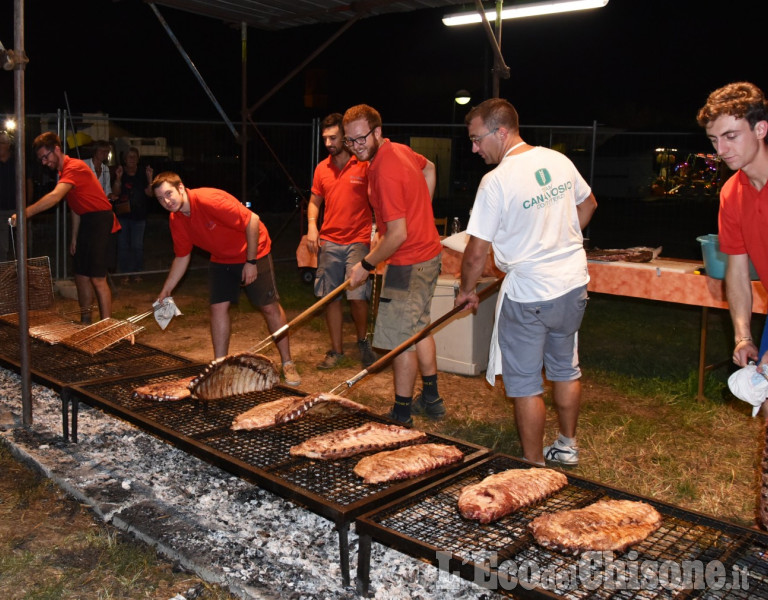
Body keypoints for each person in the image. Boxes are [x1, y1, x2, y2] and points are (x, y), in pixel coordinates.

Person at [454, 98, 597, 466]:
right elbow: (588, 204)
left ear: (501, 132)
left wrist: (466, 290)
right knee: (565, 368)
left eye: (476, 138)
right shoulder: (557, 160)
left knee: (525, 384)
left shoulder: (496, 180)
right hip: (571, 285)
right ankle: (567, 445)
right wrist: (556, 241)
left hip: (530, 293)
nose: (474, 148)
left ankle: (534, 465)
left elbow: (475, 252)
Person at [344, 104, 444, 426]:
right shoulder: (398, 150)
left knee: (400, 339)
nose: (356, 146)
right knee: (418, 327)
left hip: (408, 262)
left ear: (377, 132)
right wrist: (421, 211)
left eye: (361, 139)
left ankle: (402, 413)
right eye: (350, 141)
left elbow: (398, 235)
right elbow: (430, 168)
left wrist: (366, 264)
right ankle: (431, 398)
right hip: (427, 253)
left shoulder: (384, 170)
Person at [151, 171, 301, 386]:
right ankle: (219, 366)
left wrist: (250, 263)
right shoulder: (176, 219)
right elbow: (182, 256)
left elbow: (252, 221)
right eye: (160, 198)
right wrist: (166, 290)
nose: (166, 201)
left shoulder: (208, 200)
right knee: (217, 308)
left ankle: (287, 362)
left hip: (253, 250)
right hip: (222, 259)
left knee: (268, 307)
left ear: (181, 188)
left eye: (169, 194)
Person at [11, 132, 120, 323]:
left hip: (101, 220)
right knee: (80, 275)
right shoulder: (63, 173)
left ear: (57, 149)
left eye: (46, 156)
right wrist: (74, 237)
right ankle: (85, 321)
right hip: (87, 221)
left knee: (97, 278)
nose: (44, 162)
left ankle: (106, 326)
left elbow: (55, 197)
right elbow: (76, 208)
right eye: (41, 159)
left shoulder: (75, 167)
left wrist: (24, 213)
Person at [697, 82, 768, 370]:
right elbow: (737, 270)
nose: (721, 150)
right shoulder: (731, 192)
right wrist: (742, 336)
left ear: (760, 130)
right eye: (714, 140)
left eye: (730, 136)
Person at [307, 113, 376, 369]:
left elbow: (377, 197)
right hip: (330, 241)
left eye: (333, 137)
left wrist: (378, 228)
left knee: (357, 295)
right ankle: (336, 350)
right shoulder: (321, 169)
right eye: (324, 138)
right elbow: (315, 201)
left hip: (358, 240)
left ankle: (362, 341)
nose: (328, 143)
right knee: (329, 297)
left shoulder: (363, 165)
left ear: (345, 138)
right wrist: (312, 226)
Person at [113, 147, 153, 281]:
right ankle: (124, 273)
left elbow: (150, 193)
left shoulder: (142, 173)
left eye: (134, 157)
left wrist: (150, 179)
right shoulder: (120, 172)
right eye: (129, 157)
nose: (132, 159)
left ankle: (137, 272)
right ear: (124, 159)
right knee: (123, 245)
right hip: (123, 214)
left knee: (137, 245)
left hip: (139, 214)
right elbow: (116, 193)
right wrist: (118, 178)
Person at [0, 131, 15, 260]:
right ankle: (4, 273)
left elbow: (28, 181)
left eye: (2, 143)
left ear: (8, 145)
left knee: (22, 241)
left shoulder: (17, 160)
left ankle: (24, 269)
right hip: (1, 209)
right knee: (2, 246)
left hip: (17, 207)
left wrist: (27, 204)